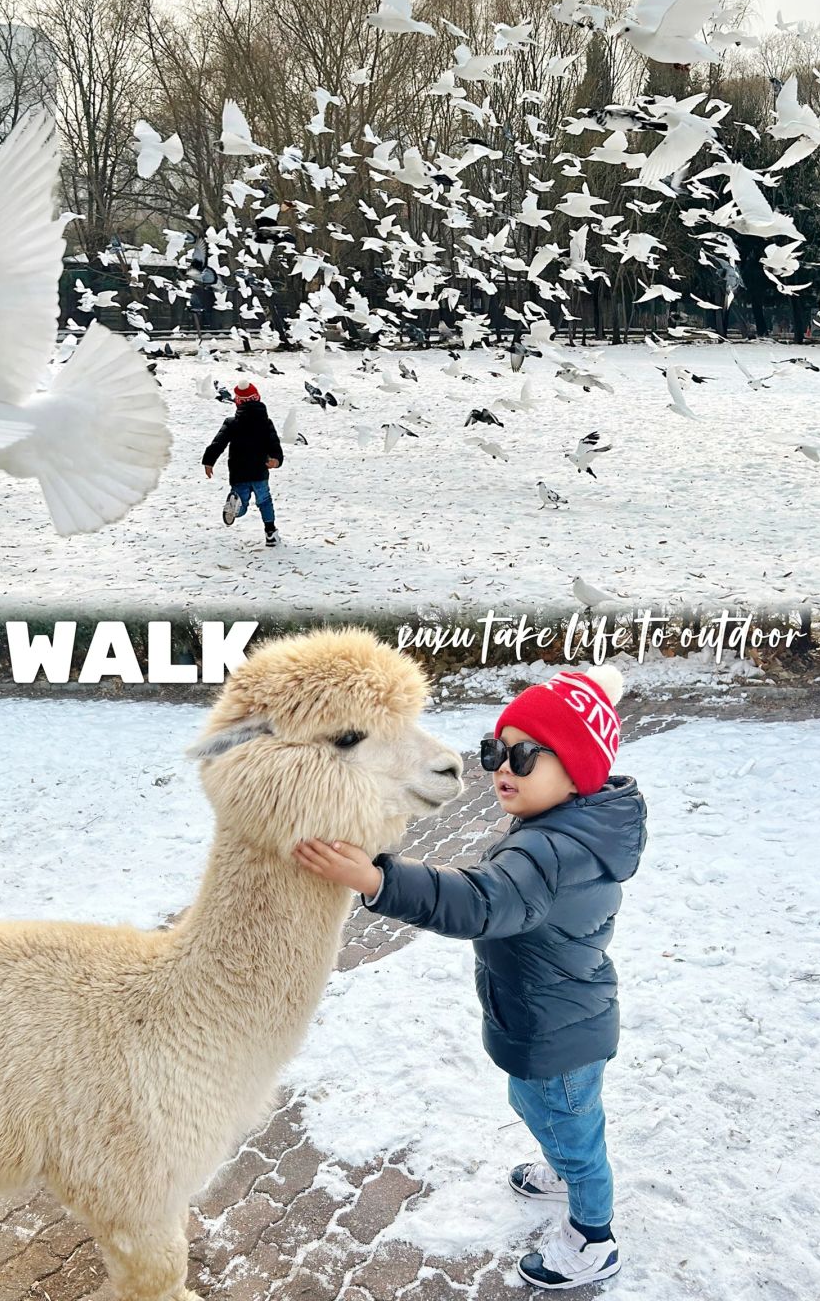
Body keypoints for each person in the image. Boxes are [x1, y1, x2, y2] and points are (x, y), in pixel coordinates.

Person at [294, 666, 647, 1291]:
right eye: (493, 751)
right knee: (538, 1105)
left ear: (578, 771)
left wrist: (379, 880)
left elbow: (480, 901)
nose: (501, 767)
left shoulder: (549, 852)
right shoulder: (568, 830)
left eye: (524, 754)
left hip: (556, 1028)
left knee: (573, 1132)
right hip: (551, 1013)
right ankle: (563, 1171)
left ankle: (594, 1236)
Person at [201, 382, 284, 546]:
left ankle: (236, 505)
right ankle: (270, 533)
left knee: (242, 503)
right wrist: (276, 460)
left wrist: (209, 461)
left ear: (238, 402)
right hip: (260, 470)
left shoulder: (232, 423)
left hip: (239, 472)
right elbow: (275, 446)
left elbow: (218, 443)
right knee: (264, 501)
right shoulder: (266, 423)